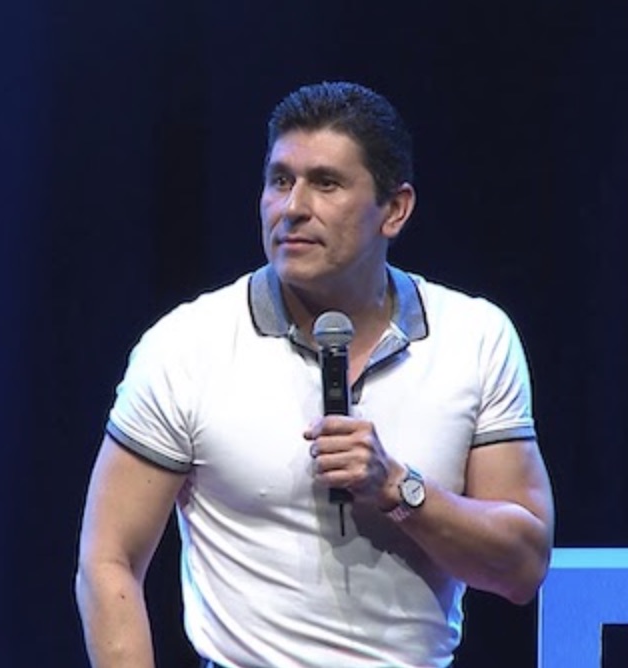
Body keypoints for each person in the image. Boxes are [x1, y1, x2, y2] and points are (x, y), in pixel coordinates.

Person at [75, 81, 555, 668]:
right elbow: (109, 561)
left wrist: (399, 488)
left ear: (395, 209)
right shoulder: (186, 346)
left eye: (325, 183)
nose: (292, 207)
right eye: (280, 180)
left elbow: (523, 567)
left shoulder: (474, 337)